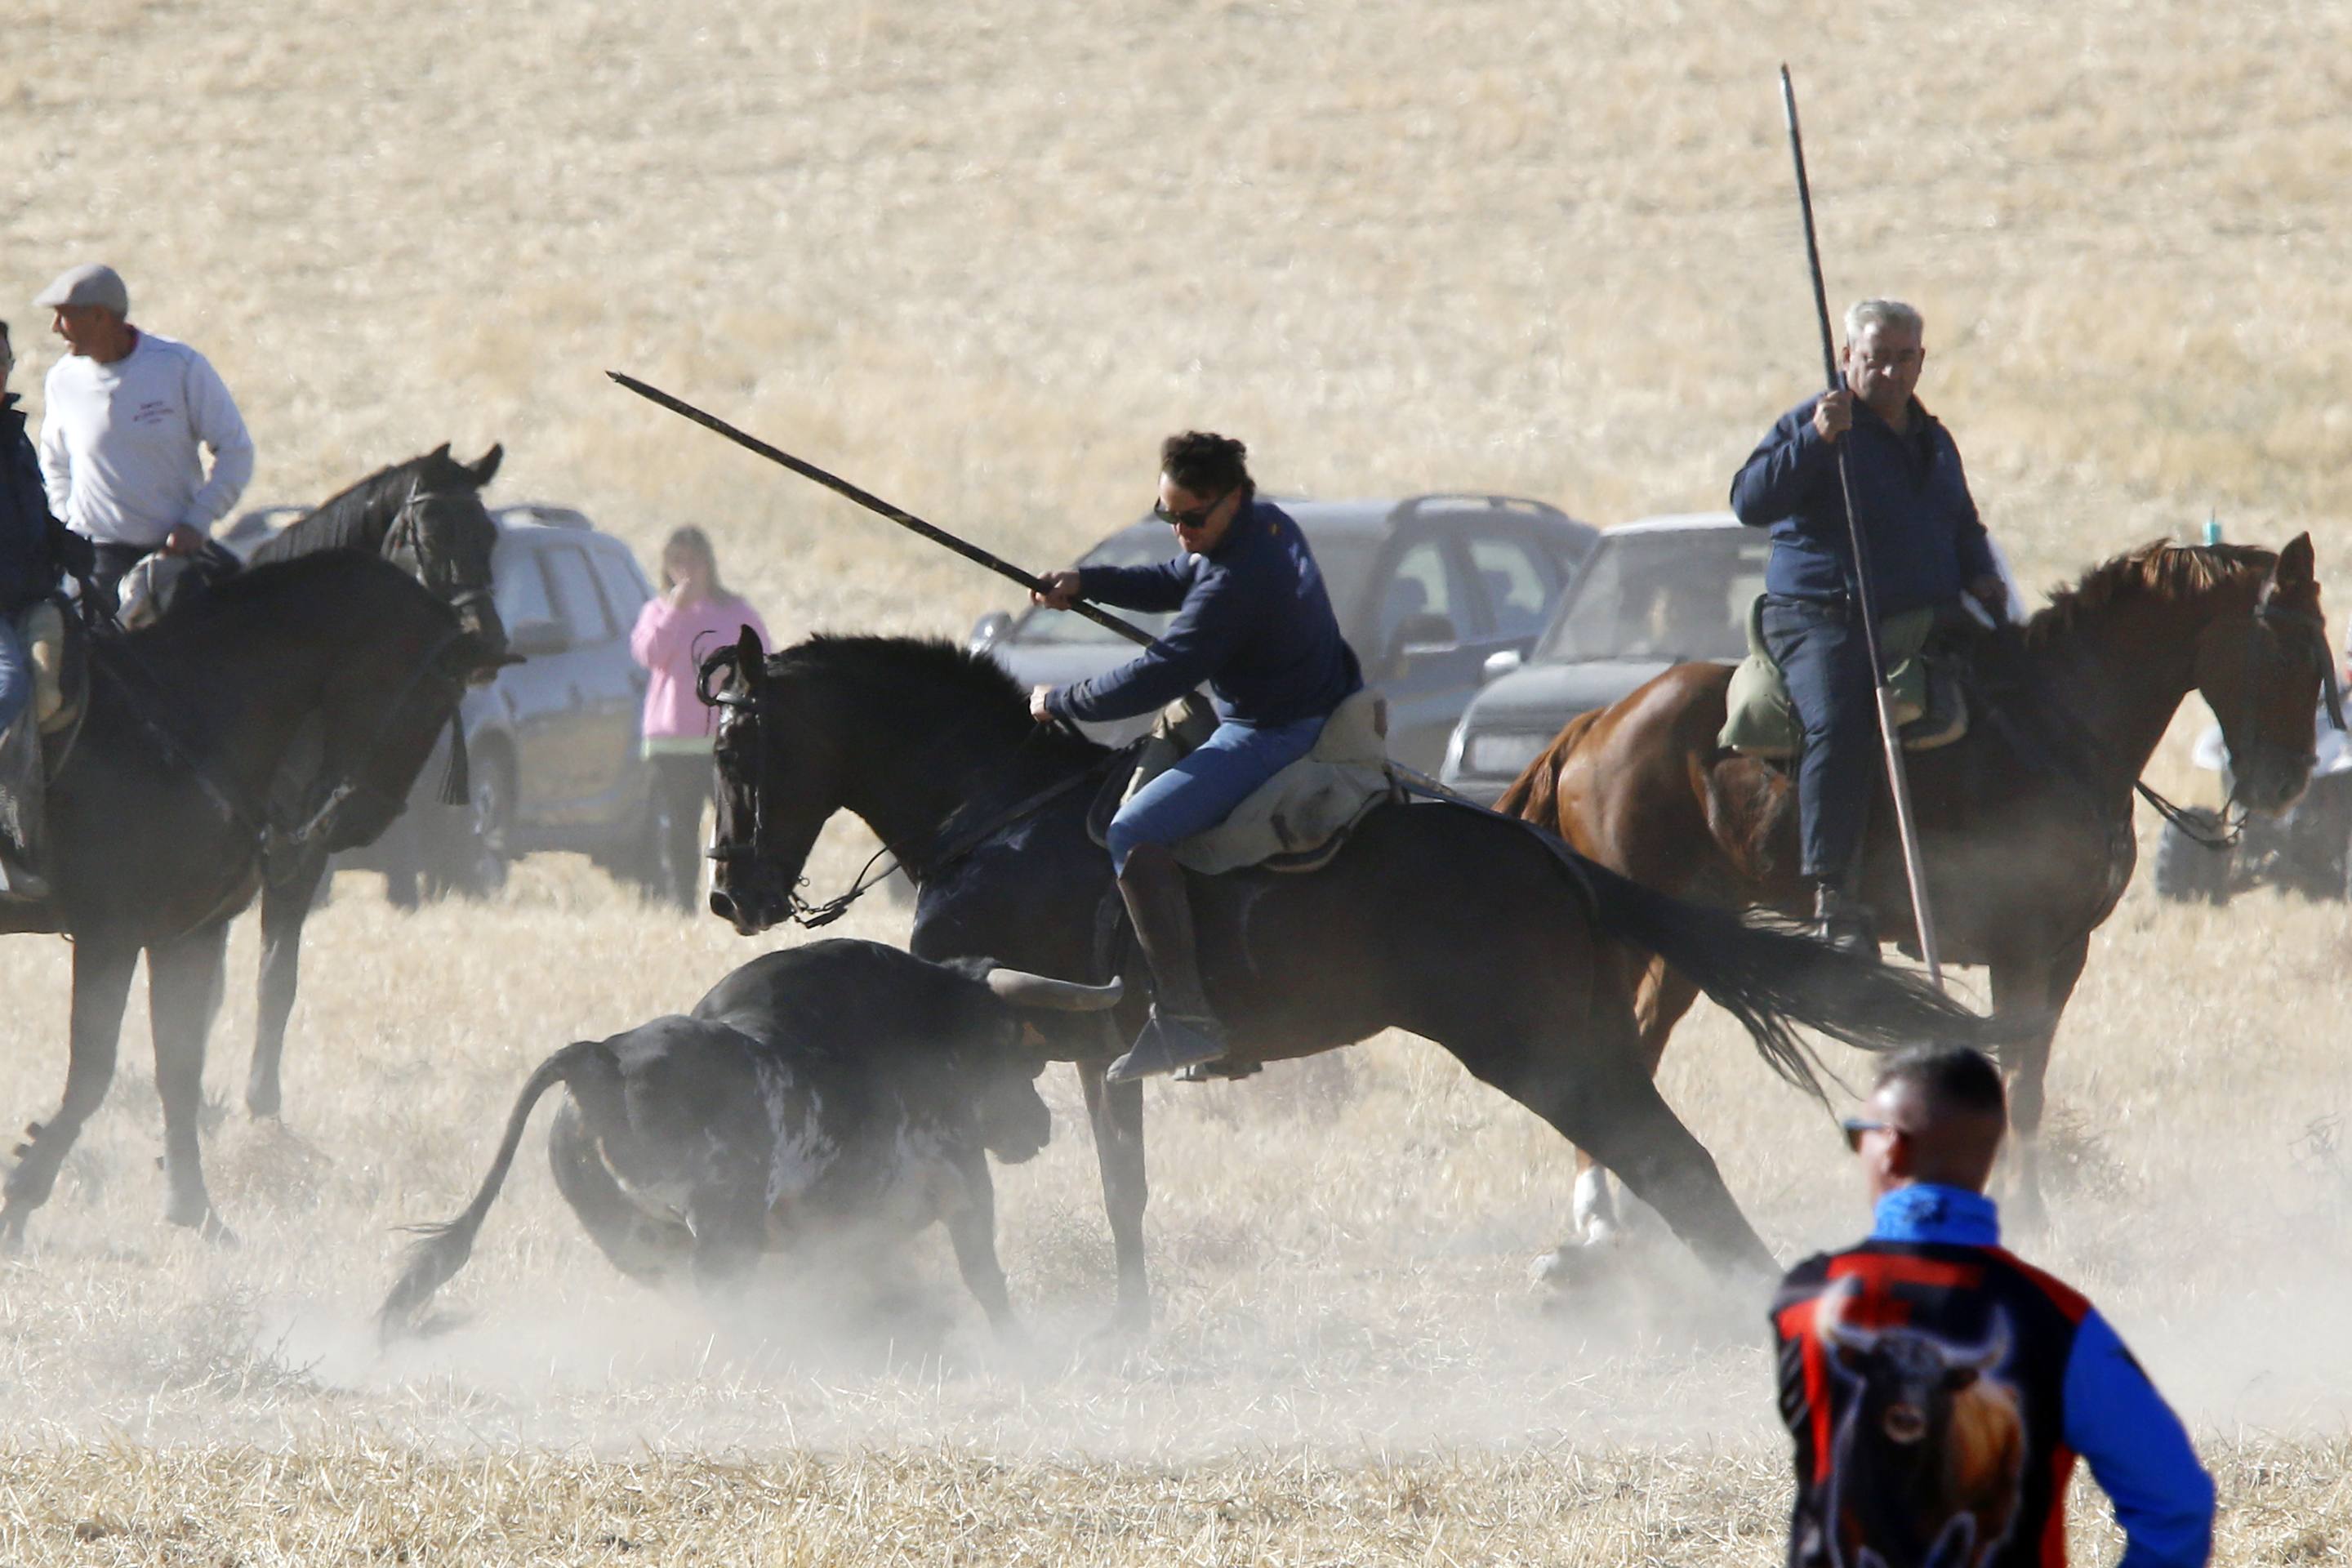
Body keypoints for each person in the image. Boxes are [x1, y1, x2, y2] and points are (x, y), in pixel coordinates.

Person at [1771, 1047, 2214, 1568]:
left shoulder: (1805, 1301)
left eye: (1857, 1135)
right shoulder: (2058, 1321)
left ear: (1890, 1148)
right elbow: (2178, 1506)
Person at [1029, 431, 1362, 1082]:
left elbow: (1158, 674)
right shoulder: (1264, 526)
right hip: (1315, 697)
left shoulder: (1238, 581)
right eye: (1168, 516)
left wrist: (1060, 702)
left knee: (1133, 829)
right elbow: (1177, 578)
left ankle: (1187, 1019)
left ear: (1233, 497)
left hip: (1275, 729)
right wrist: (1088, 582)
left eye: (1192, 516)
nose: (1180, 530)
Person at [1729, 298, 2006, 953]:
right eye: (1874, 358)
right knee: (1845, 720)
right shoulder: (1816, 424)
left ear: (1921, 360)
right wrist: (1814, 442)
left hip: (1925, 615)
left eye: (1903, 358)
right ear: (1846, 357)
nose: (1889, 372)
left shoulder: (1933, 439)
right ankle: (1833, 894)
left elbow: (1962, 524)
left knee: (2009, 694)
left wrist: (1982, 576)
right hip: (1820, 617)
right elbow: (1749, 501)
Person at [34, 264, 254, 604]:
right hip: (101, 556)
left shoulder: (178, 366)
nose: (54, 328)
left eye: (63, 316)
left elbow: (235, 450)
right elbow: (54, 463)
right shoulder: (62, 380)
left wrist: (197, 522)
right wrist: (69, 526)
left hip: (177, 552)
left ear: (99, 317)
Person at [0, 319, 100, 899]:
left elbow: (27, 517)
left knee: (64, 684)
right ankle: (11, 844)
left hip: (31, 599)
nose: (2, 369)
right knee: (11, 693)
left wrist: (61, 542)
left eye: (4, 359)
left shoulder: (14, 437)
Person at [630, 526, 769, 914]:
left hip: (729, 737)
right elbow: (649, 655)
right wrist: (675, 610)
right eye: (677, 563)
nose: (687, 571)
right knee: (679, 827)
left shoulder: (736, 612)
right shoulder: (657, 611)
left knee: (739, 822)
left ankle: (743, 896)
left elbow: (762, 660)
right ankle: (683, 904)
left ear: (710, 564)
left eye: (694, 561)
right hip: (672, 741)